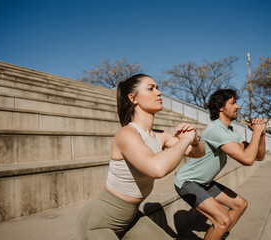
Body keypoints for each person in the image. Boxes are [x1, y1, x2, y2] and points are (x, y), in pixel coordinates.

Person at [75, 74, 205, 240]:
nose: (159, 93)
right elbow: (156, 169)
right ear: (133, 98)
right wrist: (186, 139)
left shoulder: (161, 136)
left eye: (158, 88)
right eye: (151, 88)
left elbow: (198, 153)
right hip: (99, 223)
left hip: (130, 218)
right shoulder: (126, 134)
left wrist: (195, 139)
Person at [174, 89, 266, 240]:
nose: (238, 106)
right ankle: (220, 230)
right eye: (233, 103)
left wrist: (261, 134)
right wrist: (256, 132)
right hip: (188, 182)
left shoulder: (230, 131)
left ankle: (219, 235)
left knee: (239, 205)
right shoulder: (216, 130)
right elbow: (247, 160)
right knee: (223, 220)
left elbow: (259, 156)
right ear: (221, 107)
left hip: (204, 182)